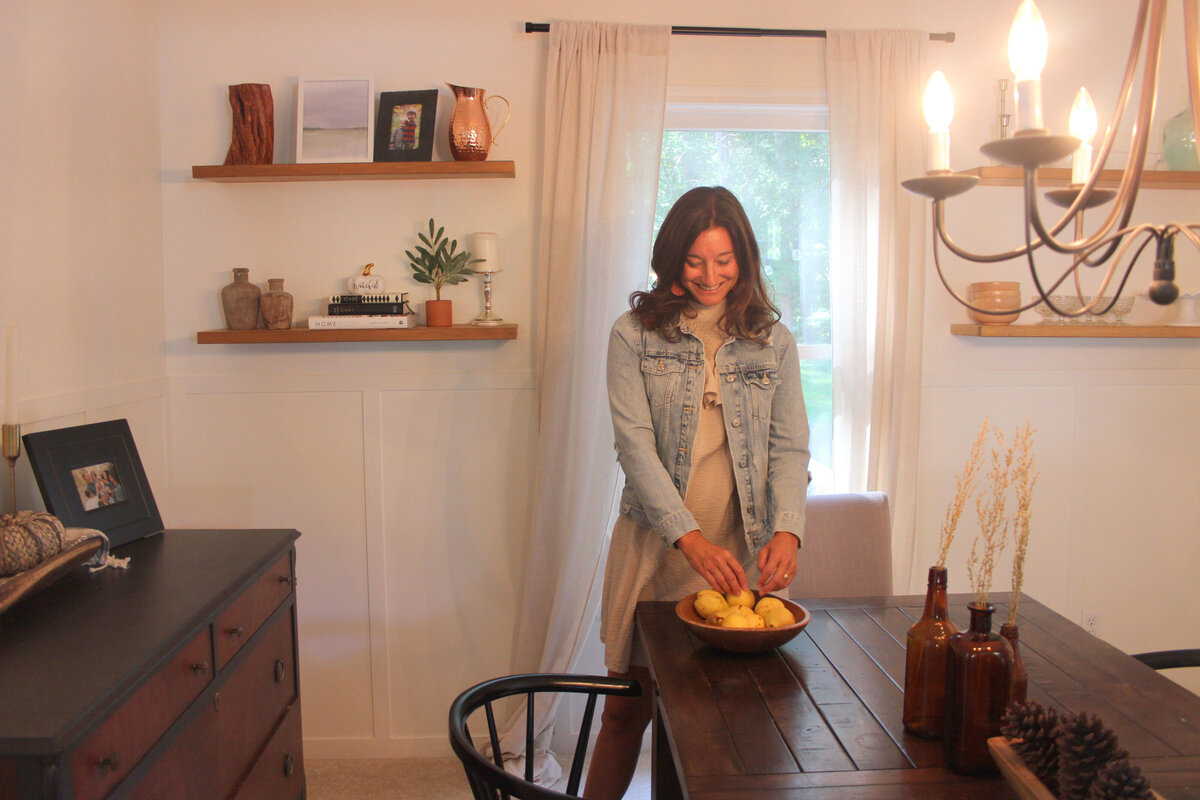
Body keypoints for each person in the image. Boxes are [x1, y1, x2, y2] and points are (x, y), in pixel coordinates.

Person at [583, 186, 810, 800]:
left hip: (739, 554)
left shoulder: (773, 340)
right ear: (672, 260)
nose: (711, 276)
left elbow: (789, 448)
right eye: (695, 260)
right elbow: (635, 450)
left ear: (744, 259)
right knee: (626, 714)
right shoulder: (633, 334)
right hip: (658, 553)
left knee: (722, 723)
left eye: (724, 259)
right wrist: (690, 541)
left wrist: (787, 530)